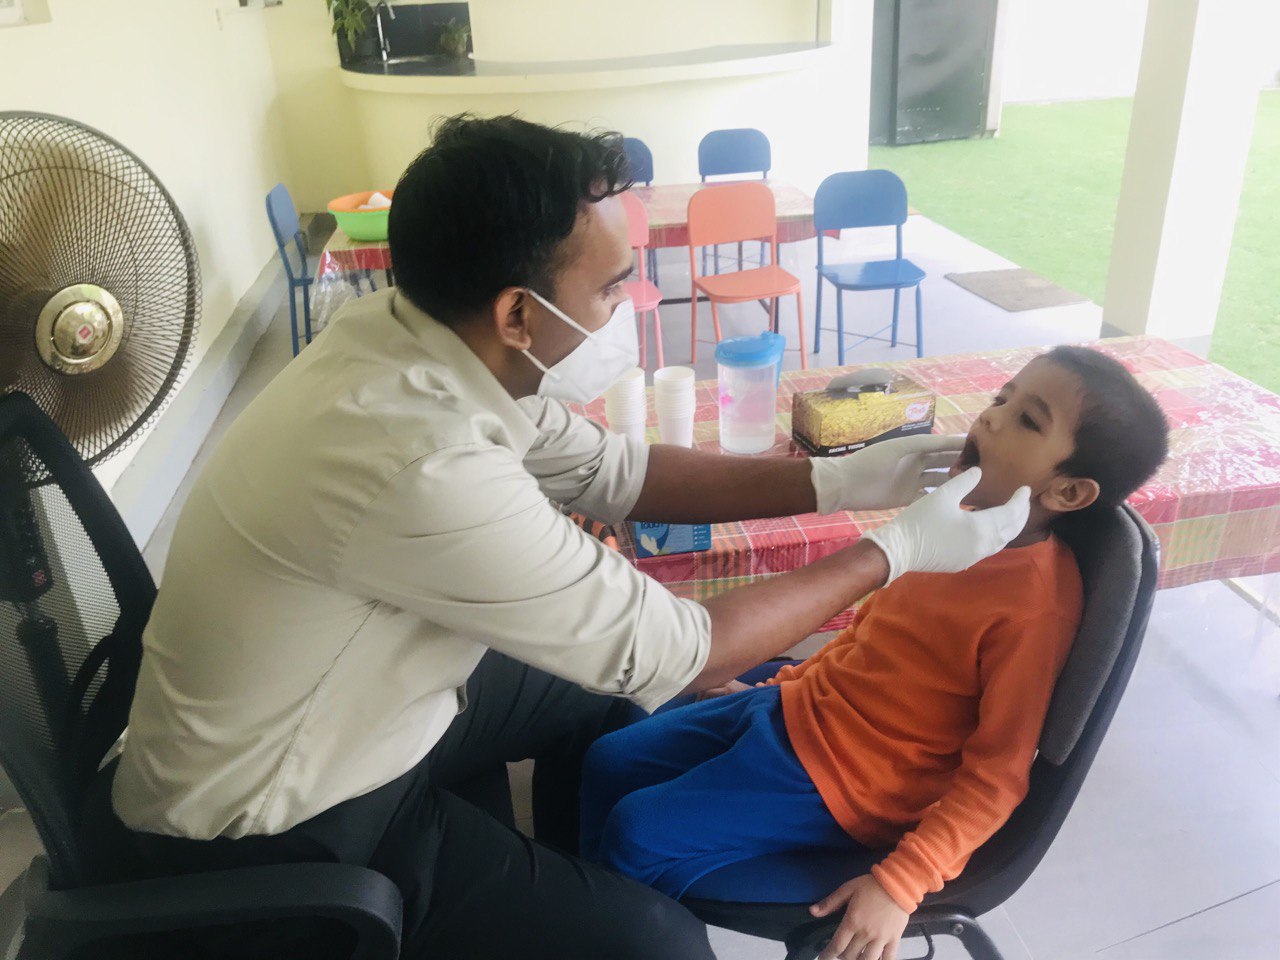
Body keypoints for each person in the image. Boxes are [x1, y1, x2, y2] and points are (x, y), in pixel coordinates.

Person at [95, 115, 1030, 960]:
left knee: (595, 705)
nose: (629, 306)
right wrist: (894, 549)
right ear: (517, 313)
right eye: (613, 287)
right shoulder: (422, 462)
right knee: (660, 945)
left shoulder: (409, 336)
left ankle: (570, 880)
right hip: (279, 822)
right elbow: (691, 650)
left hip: (335, 702)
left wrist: (832, 480)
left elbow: (615, 472)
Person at [580, 346, 1170, 960]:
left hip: (851, 781)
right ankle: (590, 908)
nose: (991, 417)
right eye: (1002, 398)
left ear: (1068, 491)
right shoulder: (951, 528)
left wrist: (902, 882)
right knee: (607, 760)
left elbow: (998, 776)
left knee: (635, 834)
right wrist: (782, 685)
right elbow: (868, 639)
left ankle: (615, 930)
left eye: (1027, 420)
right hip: (800, 709)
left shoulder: (1035, 609)